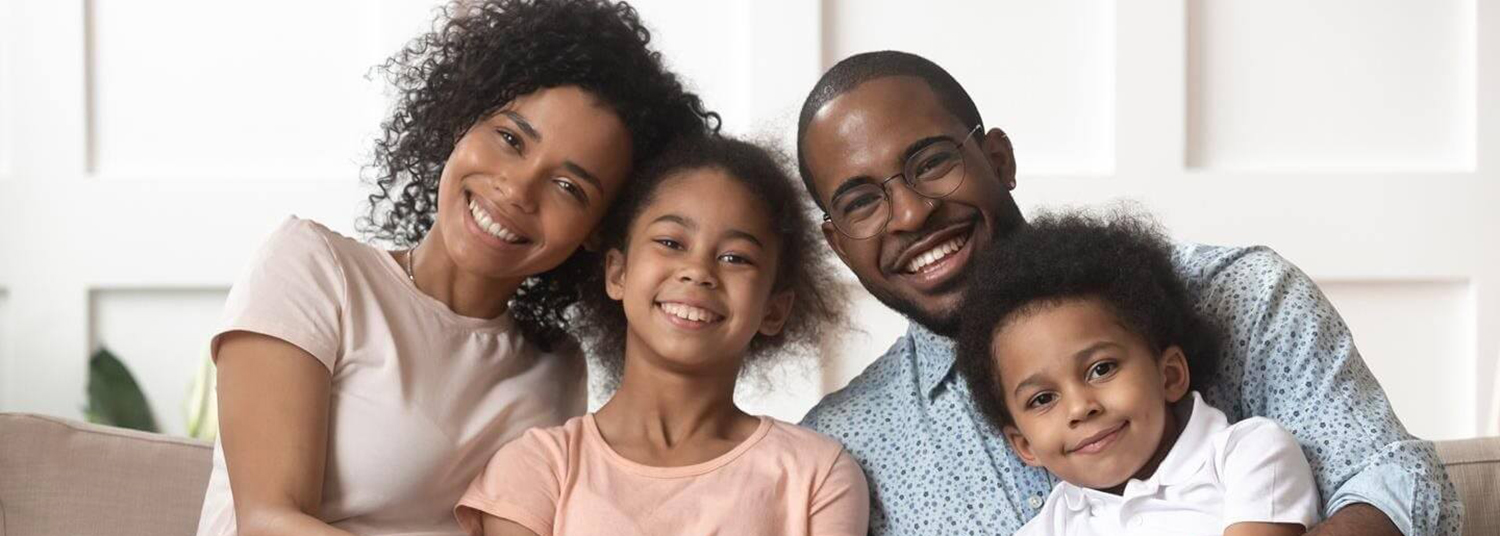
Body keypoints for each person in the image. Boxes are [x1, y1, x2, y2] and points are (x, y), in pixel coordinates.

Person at [794, 50, 1462, 535]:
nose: (910, 214)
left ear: (998, 160)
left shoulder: (1243, 296)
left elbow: (1396, 479)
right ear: (838, 243)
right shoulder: (844, 450)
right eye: (860, 202)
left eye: (931, 162)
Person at [196, 1, 717, 535]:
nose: (516, 190)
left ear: (600, 231)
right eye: (511, 139)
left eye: (569, 187)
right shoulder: (313, 269)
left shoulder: (555, 368)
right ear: (460, 119)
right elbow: (267, 521)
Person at [454, 135, 869, 536]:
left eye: (735, 257)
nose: (699, 271)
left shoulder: (817, 474)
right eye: (671, 242)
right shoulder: (536, 468)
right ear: (617, 273)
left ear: (774, 309)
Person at [955, 211, 1321, 535]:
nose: (1081, 407)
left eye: (1101, 369)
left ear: (1170, 375)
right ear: (1024, 445)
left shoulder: (1250, 455)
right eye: (1043, 399)